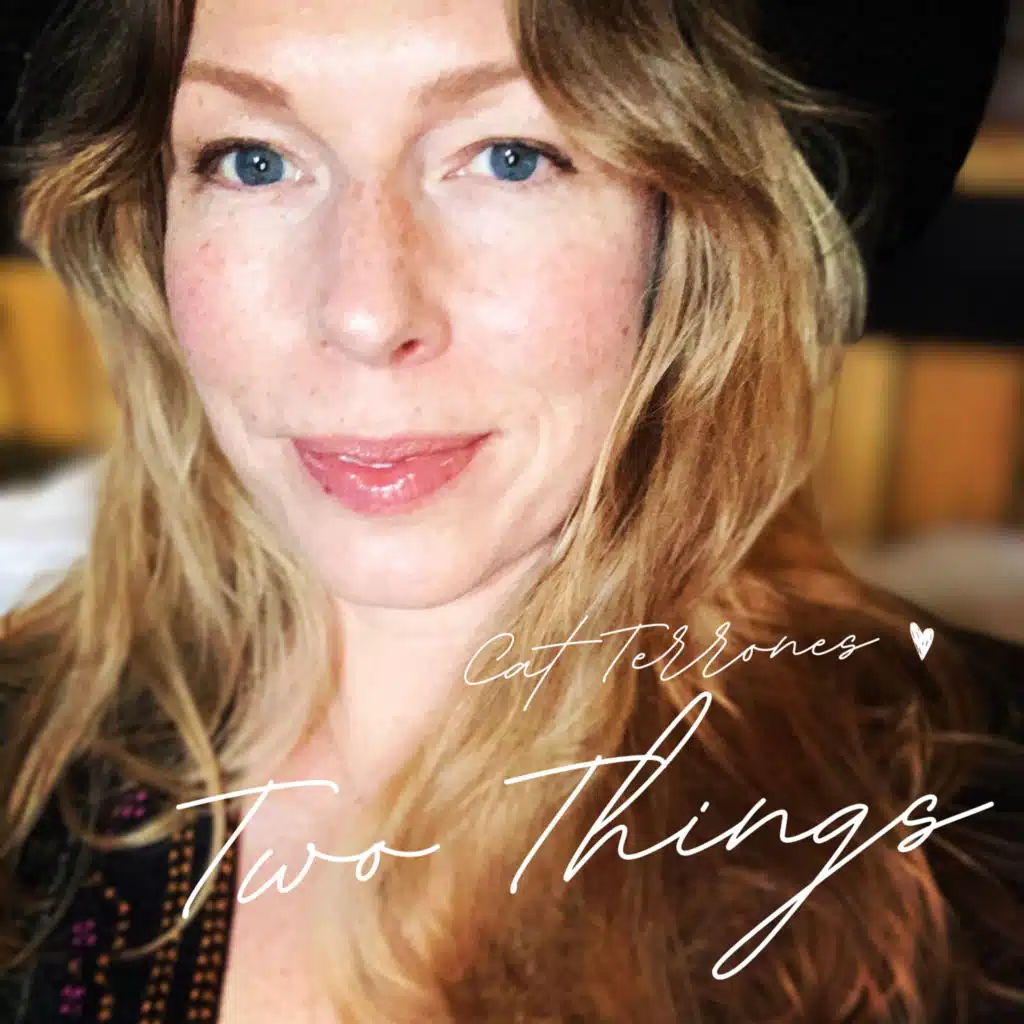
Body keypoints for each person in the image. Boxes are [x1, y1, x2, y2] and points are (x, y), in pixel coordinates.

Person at [0, 0, 1020, 1021]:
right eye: (253, 161)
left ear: (695, 231)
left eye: (510, 158)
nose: (365, 314)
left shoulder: (975, 850)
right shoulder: (22, 758)